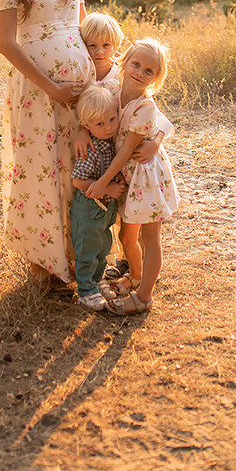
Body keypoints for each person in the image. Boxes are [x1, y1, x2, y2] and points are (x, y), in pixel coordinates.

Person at [0, 0, 95, 288]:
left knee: (77, 168)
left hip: (80, 90)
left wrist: (101, 77)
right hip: (38, 91)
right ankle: (45, 265)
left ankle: (81, 259)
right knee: (41, 170)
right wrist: (52, 87)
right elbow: (7, 44)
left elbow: (82, 28)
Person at [86, 37, 180, 315]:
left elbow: (127, 150)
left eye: (149, 71)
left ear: (156, 78)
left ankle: (144, 297)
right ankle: (136, 276)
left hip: (145, 176)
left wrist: (103, 182)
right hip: (128, 175)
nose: (140, 72)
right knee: (127, 236)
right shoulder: (113, 91)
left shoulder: (145, 106)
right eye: (136, 64)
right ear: (123, 61)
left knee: (149, 238)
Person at [70, 84, 126, 311]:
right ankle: (85, 291)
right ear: (87, 126)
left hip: (105, 210)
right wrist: (108, 188)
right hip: (89, 209)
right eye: (100, 124)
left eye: (112, 119)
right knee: (88, 251)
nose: (109, 127)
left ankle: (96, 281)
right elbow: (78, 181)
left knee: (103, 248)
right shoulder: (91, 148)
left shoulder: (111, 143)